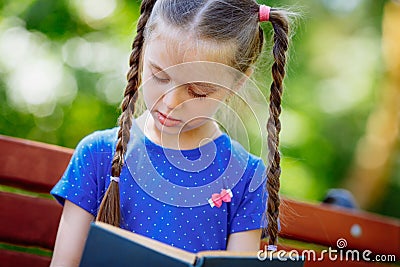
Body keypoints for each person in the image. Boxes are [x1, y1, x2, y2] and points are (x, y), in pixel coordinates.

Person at [50, 0, 291, 266]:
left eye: (197, 91)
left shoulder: (246, 176)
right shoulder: (98, 154)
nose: (170, 101)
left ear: (239, 81)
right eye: (159, 76)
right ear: (141, 50)